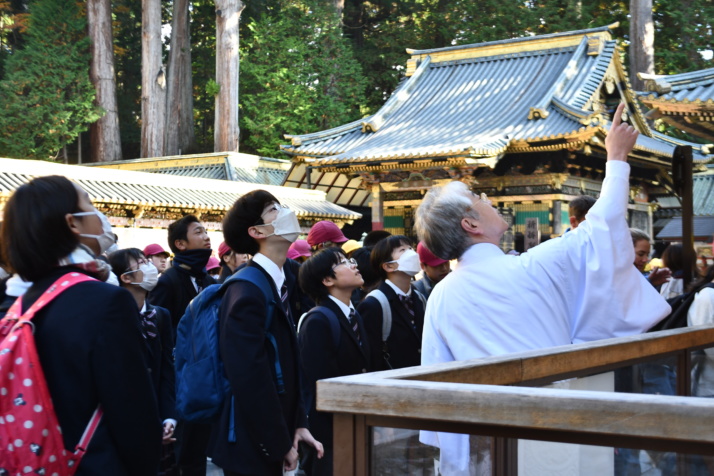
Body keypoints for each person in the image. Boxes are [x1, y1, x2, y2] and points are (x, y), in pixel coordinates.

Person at [414, 104, 671, 474]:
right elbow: (600, 228)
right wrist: (615, 156)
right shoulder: (532, 268)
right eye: (477, 199)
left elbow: (435, 390)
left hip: (488, 443)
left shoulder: (440, 296)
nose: (488, 199)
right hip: (556, 426)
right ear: (471, 224)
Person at [0, 175, 161, 475]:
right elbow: (131, 408)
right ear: (72, 223)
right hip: (94, 462)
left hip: (34, 461)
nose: (98, 214)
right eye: (89, 202)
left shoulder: (16, 304)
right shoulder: (105, 301)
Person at [210, 189, 323, 475]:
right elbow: (248, 376)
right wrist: (278, 441)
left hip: (275, 432)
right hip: (250, 441)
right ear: (257, 231)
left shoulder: (284, 279)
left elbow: (286, 360)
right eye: (273, 209)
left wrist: (298, 423)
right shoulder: (246, 289)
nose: (285, 211)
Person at [148, 214, 216, 476]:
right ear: (181, 244)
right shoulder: (169, 281)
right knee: (182, 452)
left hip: (207, 377)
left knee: (199, 447)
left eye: (205, 231)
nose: (206, 236)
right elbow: (159, 332)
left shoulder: (209, 281)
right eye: (198, 232)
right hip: (181, 380)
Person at [297, 248, 372, 475]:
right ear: (327, 280)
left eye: (350, 260)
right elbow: (323, 386)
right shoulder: (318, 321)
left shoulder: (354, 314)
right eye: (342, 262)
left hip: (354, 425)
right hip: (331, 434)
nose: (353, 264)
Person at [108, 248, 177, 469]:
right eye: (141, 263)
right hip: (125, 425)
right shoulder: (110, 319)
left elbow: (167, 369)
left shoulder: (161, 316)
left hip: (158, 414)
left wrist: (168, 417)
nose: (150, 267)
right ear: (126, 278)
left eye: (148, 261)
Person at [357, 235, 425, 371]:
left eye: (411, 248)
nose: (412, 253)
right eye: (402, 250)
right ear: (388, 266)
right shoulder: (374, 304)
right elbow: (371, 355)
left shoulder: (419, 297)